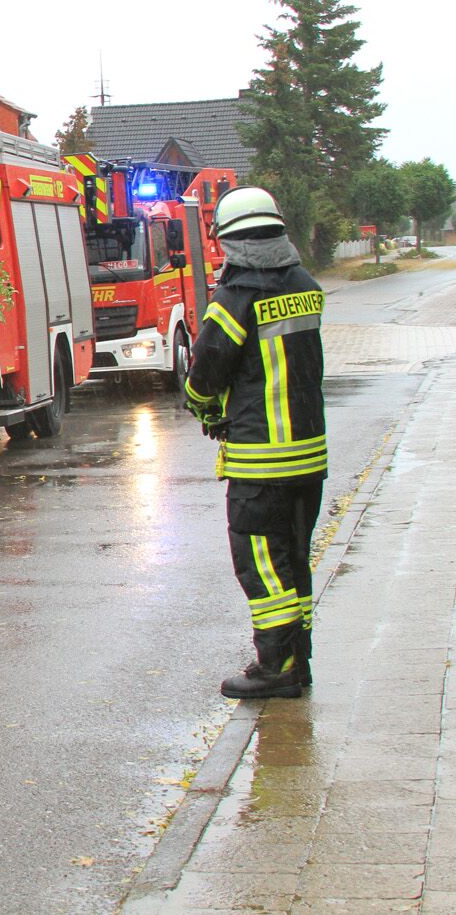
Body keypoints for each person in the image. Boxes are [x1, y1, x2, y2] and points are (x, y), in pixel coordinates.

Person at [184, 186, 326, 699]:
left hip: (261, 463)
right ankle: (298, 659)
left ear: (230, 242)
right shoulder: (306, 286)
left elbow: (205, 375)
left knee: (262, 566)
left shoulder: (234, 299)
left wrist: (204, 408)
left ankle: (276, 668)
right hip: (310, 459)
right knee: (293, 560)